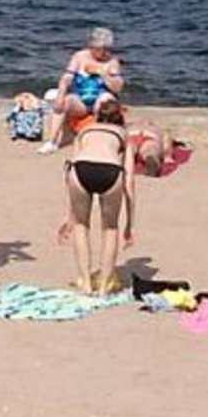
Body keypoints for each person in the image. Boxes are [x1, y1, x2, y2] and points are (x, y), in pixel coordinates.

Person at [57, 96, 132, 293]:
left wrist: (68, 216)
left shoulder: (84, 130)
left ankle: (85, 281)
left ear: (97, 116)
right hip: (110, 171)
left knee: (80, 225)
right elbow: (129, 181)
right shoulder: (124, 135)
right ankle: (105, 285)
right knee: (110, 228)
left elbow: (71, 168)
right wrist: (129, 224)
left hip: (80, 169)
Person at [41, 28, 124, 152]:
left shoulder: (112, 62)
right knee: (65, 101)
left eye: (106, 49)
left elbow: (117, 88)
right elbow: (67, 78)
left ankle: (98, 139)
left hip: (100, 100)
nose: (102, 53)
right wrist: (61, 94)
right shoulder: (79, 57)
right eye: (98, 49)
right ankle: (52, 142)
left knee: (106, 99)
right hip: (80, 100)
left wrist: (103, 74)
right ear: (91, 47)